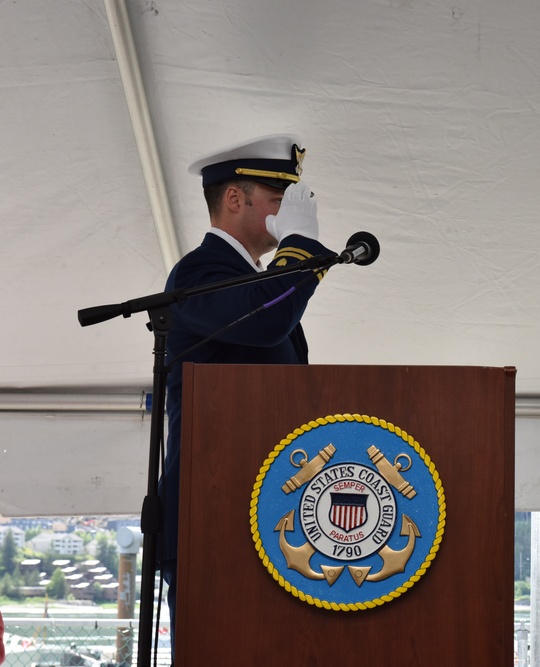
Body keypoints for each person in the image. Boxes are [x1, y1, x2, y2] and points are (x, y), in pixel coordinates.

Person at [158, 134, 337, 651]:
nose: (290, 212)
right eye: (279, 199)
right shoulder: (200, 272)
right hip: (211, 511)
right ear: (235, 199)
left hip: (256, 509)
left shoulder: (246, 279)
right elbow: (266, 321)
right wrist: (301, 249)